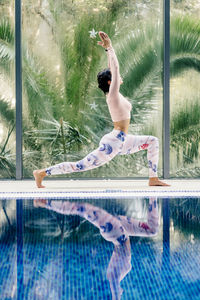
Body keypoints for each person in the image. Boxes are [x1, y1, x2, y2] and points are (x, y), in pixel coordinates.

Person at [33, 31, 169, 188]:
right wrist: (110, 48)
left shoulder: (115, 94)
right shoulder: (113, 96)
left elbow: (112, 68)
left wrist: (107, 50)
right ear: (111, 82)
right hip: (114, 142)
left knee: (153, 141)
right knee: (79, 166)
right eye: (115, 78)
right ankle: (41, 173)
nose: (119, 77)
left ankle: (153, 179)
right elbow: (116, 69)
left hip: (122, 140)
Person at [34, 197, 159, 300]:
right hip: (122, 231)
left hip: (115, 232)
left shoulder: (113, 277)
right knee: (152, 230)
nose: (121, 293)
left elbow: (115, 291)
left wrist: (116, 297)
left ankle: (45, 203)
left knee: (82, 209)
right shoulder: (120, 276)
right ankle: (153, 196)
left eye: (118, 295)